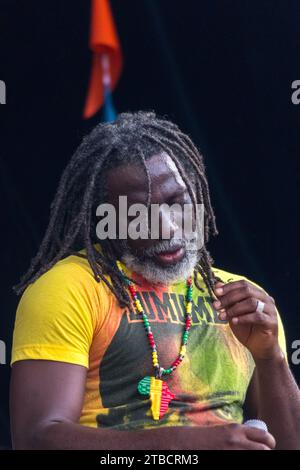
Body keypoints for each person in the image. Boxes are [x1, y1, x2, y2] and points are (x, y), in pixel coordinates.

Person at [10, 111, 300, 449]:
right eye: (138, 213)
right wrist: (192, 447)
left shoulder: (242, 298)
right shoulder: (69, 288)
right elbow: (37, 438)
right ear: (105, 218)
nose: (167, 227)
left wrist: (271, 357)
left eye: (177, 202)